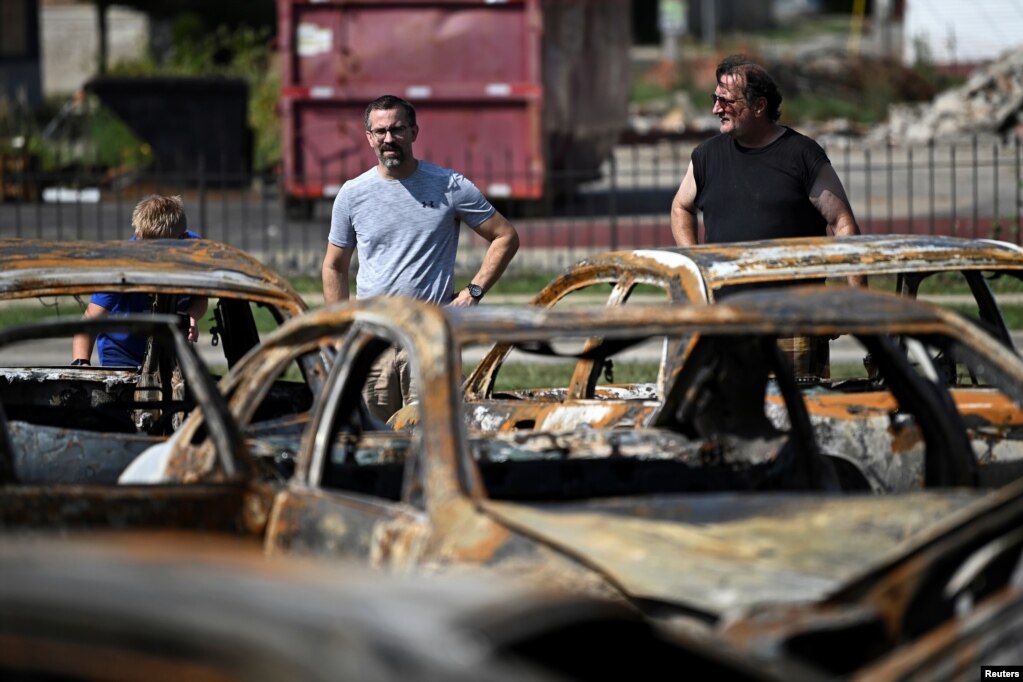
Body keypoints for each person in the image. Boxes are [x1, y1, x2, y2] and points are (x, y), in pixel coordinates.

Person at [322, 94, 519, 420]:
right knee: (374, 441)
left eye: (397, 129)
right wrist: (339, 330)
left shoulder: (449, 186)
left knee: (435, 438)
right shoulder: (352, 194)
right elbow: (334, 265)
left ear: (414, 132)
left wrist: (473, 293)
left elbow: (505, 236)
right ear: (369, 137)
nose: (389, 139)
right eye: (381, 131)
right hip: (374, 340)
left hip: (430, 339)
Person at [670, 55, 864, 378]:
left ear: (759, 106)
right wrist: (695, 265)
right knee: (728, 420)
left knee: (802, 418)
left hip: (794, 324)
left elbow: (842, 222)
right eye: (715, 99)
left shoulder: (802, 155)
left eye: (726, 101)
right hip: (725, 321)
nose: (716, 109)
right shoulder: (707, 156)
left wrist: (855, 302)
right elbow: (680, 207)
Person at [71, 194, 208, 367]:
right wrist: (81, 364)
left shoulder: (197, 253)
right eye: (144, 249)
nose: (151, 258)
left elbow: (200, 297)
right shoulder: (121, 265)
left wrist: (192, 316)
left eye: (159, 252)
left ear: (183, 240)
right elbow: (89, 321)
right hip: (122, 351)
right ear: (138, 235)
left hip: (171, 348)